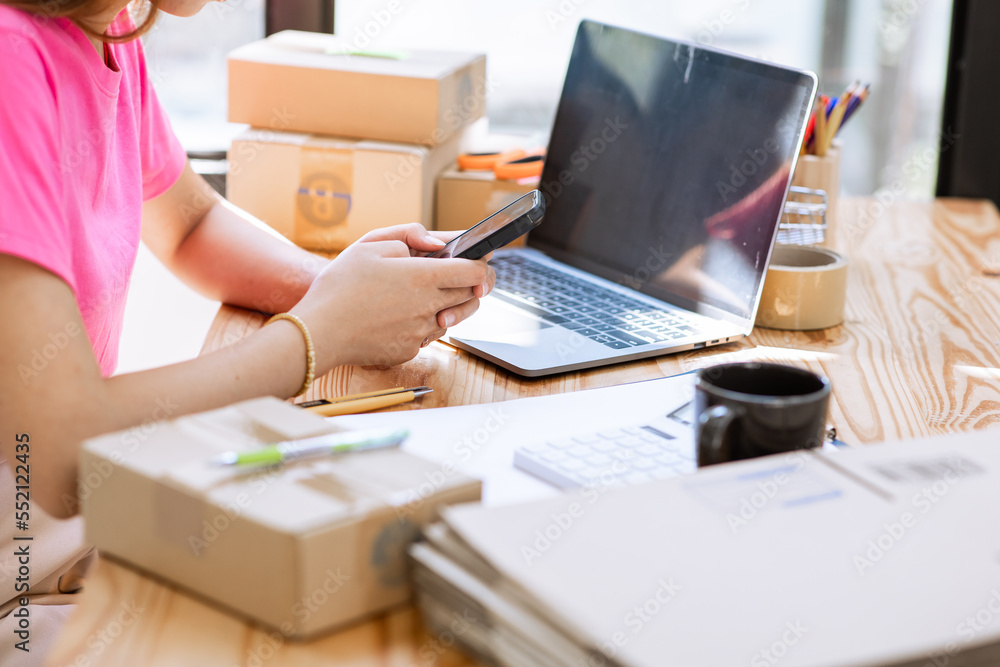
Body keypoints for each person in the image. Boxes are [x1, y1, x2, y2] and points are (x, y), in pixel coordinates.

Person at [0, 0, 494, 659]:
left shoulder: (106, 20)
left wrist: (344, 289)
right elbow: (58, 453)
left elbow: (191, 224)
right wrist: (323, 334)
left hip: (61, 526)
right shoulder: (10, 59)